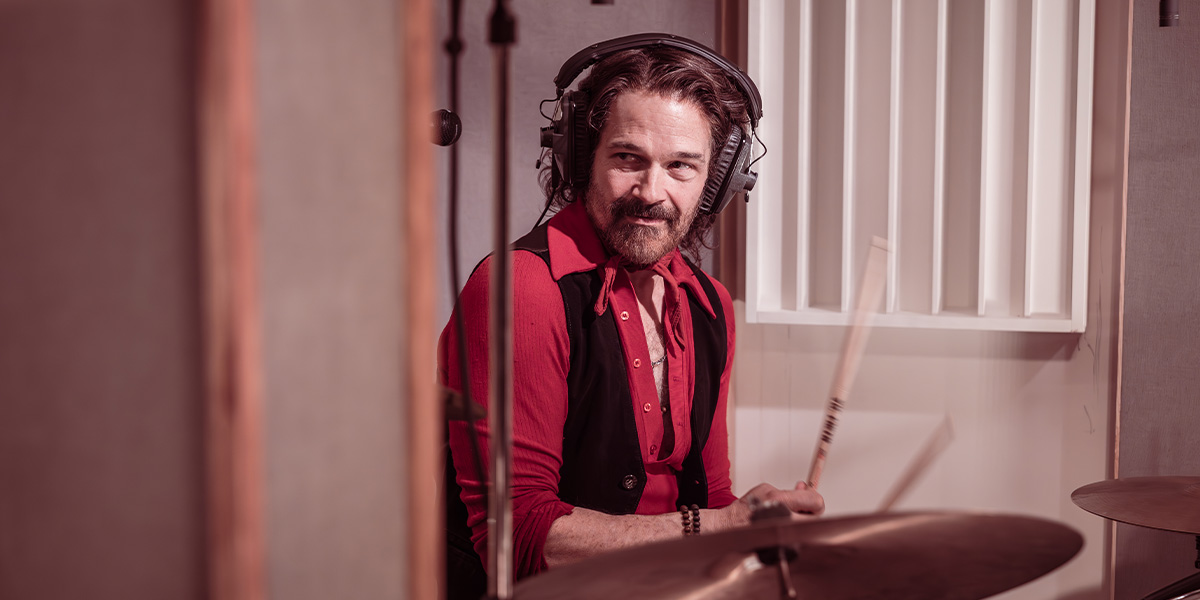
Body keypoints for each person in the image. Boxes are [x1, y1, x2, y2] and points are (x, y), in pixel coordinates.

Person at [439, 34, 824, 592]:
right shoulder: (523, 289)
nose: (652, 191)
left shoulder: (709, 304)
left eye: (682, 166)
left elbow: (710, 498)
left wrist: (757, 524)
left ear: (718, 182)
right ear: (579, 155)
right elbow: (517, 538)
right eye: (627, 158)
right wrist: (718, 528)